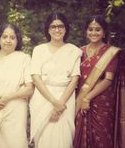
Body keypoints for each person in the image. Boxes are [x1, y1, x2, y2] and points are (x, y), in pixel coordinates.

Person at [74, 15, 125, 148]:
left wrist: (87, 98)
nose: (94, 33)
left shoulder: (110, 52)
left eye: (98, 29)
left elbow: (108, 80)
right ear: (86, 31)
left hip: (102, 102)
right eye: (90, 29)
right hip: (81, 98)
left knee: (102, 136)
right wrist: (82, 99)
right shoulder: (79, 52)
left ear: (104, 32)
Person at [29, 12, 82, 148]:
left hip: (65, 99)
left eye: (60, 26)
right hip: (43, 98)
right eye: (53, 26)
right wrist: (54, 102)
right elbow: (35, 77)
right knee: (44, 140)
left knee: (63, 139)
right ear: (48, 29)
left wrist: (60, 106)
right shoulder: (39, 50)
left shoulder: (74, 51)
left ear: (66, 29)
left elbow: (75, 79)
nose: (57, 30)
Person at [0, 23, 34, 148]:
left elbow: (29, 89)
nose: (8, 40)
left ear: (17, 40)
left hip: (14, 109)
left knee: (14, 142)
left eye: (12, 37)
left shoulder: (24, 58)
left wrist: (7, 98)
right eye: (5, 37)